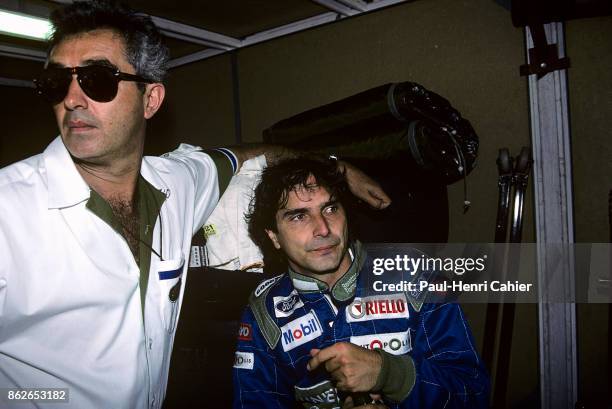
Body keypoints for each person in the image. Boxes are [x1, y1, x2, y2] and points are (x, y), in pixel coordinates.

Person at [0, 1, 390, 408]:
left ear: (151, 99)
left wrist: (335, 167)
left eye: (98, 79)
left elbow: (242, 155)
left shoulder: (178, 182)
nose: (73, 99)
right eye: (57, 83)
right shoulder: (9, 213)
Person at [232, 157, 489, 409]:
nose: (323, 228)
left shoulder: (413, 274)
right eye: (299, 216)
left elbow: (474, 394)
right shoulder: (264, 313)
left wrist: (389, 374)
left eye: (330, 208)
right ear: (274, 236)